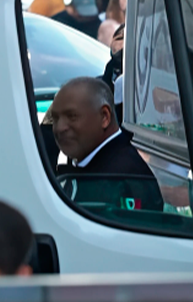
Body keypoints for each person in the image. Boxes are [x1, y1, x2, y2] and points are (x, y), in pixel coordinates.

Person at [45, 77, 162, 210]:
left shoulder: (123, 178)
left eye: (72, 116)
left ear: (104, 117)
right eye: (55, 119)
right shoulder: (99, 164)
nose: (60, 128)